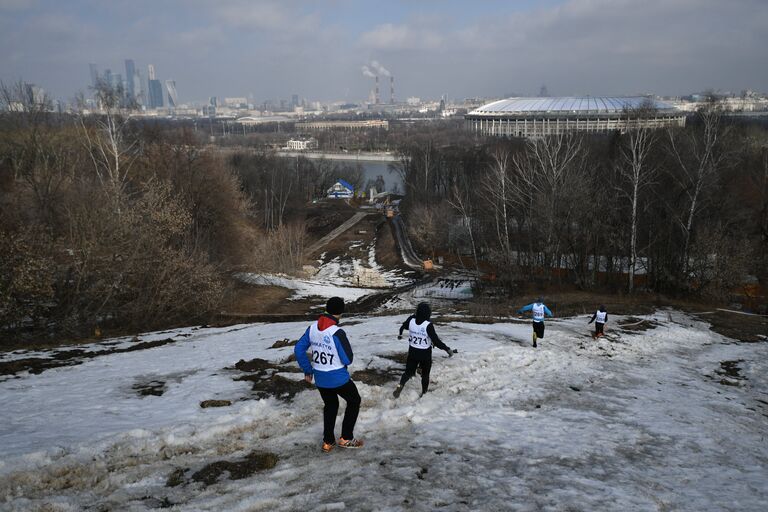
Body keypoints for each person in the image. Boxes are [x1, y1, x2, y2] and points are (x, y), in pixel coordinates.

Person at [295, 297, 363, 453]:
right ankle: (346, 438)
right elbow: (348, 359)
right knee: (354, 400)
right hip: (338, 378)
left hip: (320, 378)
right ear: (341, 312)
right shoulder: (337, 332)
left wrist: (307, 369)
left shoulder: (312, 328)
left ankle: (328, 441)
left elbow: (298, 350)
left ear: (326, 309)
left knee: (331, 405)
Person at [392, 302, 455, 399]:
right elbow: (436, 341)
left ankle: (399, 387)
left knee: (408, 373)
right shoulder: (428, 325)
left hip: (412, 352)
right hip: (425, 354)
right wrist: (447, 349)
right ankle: (424, 393)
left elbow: (403, 326)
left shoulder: (411, 320)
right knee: (425, 375)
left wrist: (400, 334)